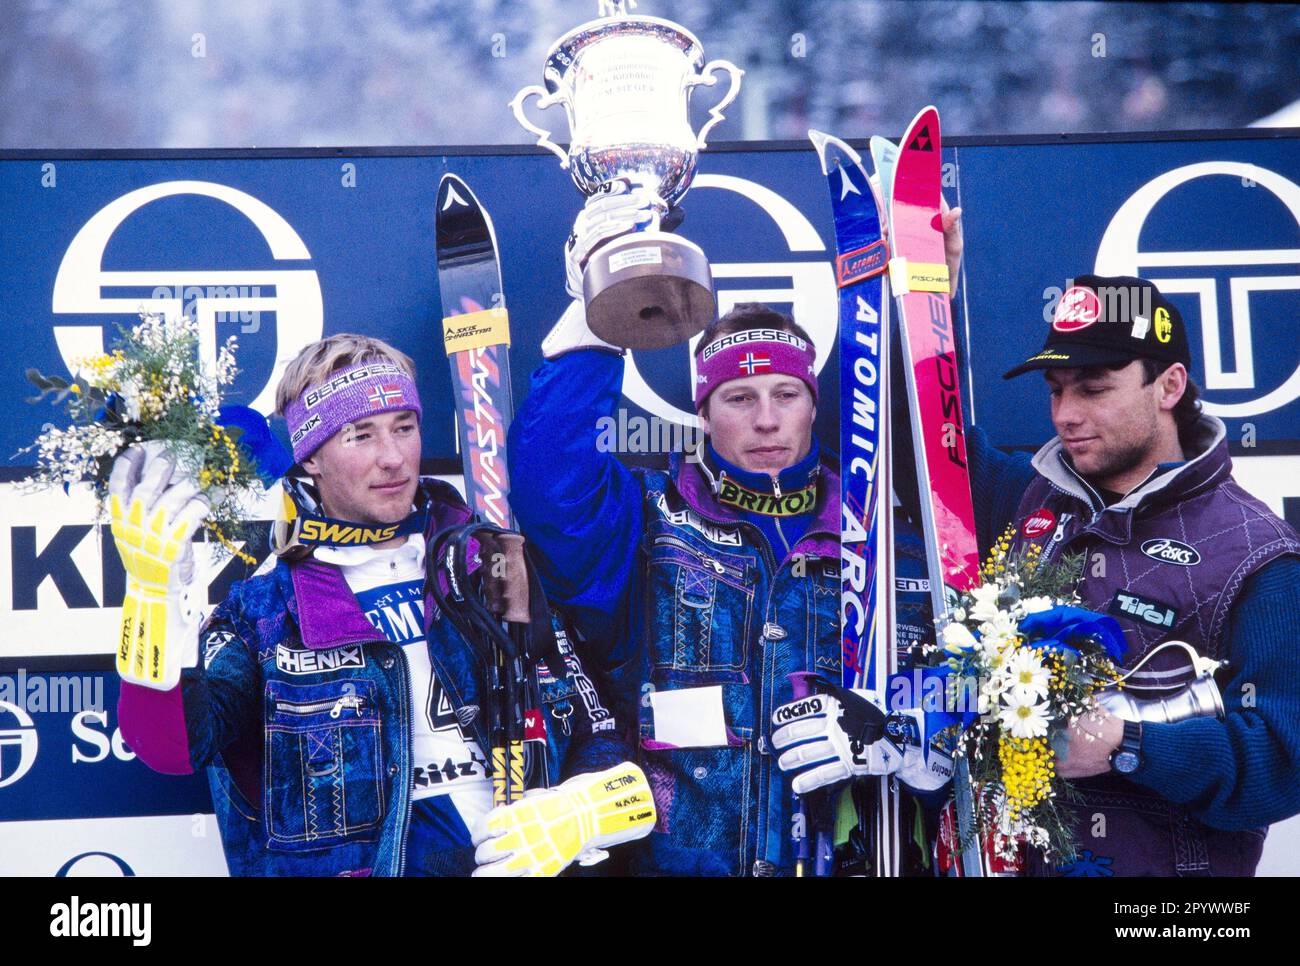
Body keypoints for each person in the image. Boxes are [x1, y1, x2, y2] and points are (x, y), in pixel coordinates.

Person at [507, 182, 955, 875]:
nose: (766, 420)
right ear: (704, 411)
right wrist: (598, 319)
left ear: (814, 405)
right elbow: (551, 487)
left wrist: (908, 728)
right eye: (739, 398)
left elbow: (956, 689)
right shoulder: (650, 524)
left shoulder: (883, 537)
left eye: (786, 395)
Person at [110, 332, 653, 876]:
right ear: (312, 457)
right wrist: (150, 604)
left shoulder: (492, 569)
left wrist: (583, 811)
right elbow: (170, 748)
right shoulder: (266, 612)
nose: (393, 458)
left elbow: (600, 736)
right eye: (360, 435)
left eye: (405, 428)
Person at [971, 274, 1300, 876]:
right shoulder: (1027, 496)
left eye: (1094, 390)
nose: (1066, 416)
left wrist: (1128, 746)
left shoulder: (1258, 553)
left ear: (1169, 385)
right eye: (1056, 391)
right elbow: (913, 433)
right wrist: (918, 284)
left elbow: (1284, 762)